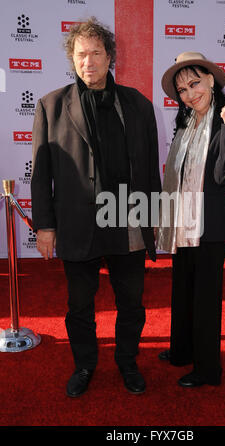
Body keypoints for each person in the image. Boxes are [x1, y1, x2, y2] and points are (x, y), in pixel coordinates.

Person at [31, 17, 161, 397]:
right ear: (73, 59)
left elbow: (150, 168)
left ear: (110, 57)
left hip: (127, 217)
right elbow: (42, 176)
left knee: (132, 303)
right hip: (77, 222)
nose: (89, 62)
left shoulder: (138, 105)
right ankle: (85, 364)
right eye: (81, 55)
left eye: (97, 53)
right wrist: (45, 226)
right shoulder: (51, 106)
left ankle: (127, 362)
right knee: (79, 306)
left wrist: (153, 217)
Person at [156, 51, 225, 388]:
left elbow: (223, 176)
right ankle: (182, 351)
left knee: (205, 298)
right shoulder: (186, 122)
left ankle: (208, 369)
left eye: (194, 83)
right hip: (182, 222)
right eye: (182, 89)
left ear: (211, 80)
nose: (190, 93)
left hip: (210, 226)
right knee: (183, 290)